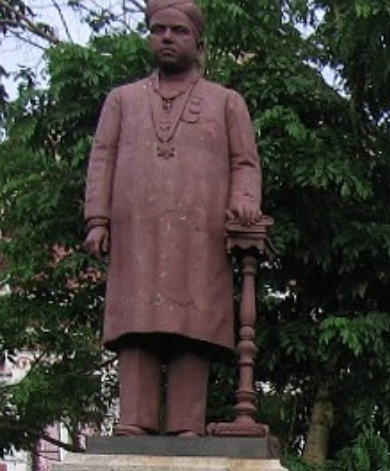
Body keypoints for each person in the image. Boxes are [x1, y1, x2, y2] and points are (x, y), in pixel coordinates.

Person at [83, 0, 261, 436]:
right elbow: (101, 158)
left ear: (198, 42)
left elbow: (245, 163)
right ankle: (135, 420)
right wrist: (97, 219)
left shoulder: (226, 103)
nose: (166, 37)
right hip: (136, 233)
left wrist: (243, 202)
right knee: (136, 323)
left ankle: (186, 422)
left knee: (192, 325)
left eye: (178, 31)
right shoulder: (122, 100)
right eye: (158, 29)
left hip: (199, 235)